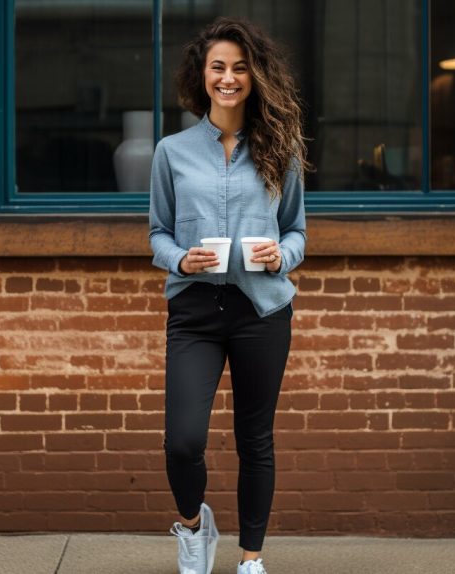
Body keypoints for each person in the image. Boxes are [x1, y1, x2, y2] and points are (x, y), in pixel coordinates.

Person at [148, 16, 310, 574]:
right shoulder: (172, 152)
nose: (229, 78)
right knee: (183, 442)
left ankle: (250, 560)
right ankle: (194, 528)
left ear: (254, 75)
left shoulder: (279, 147)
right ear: (203, 74)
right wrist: (180, 259)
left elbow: (297, 232)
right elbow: (157, 234)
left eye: (240, 67)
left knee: (254, 440)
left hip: (261, 309)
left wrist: (280, 257)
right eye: (219, 66)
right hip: (193, 309)